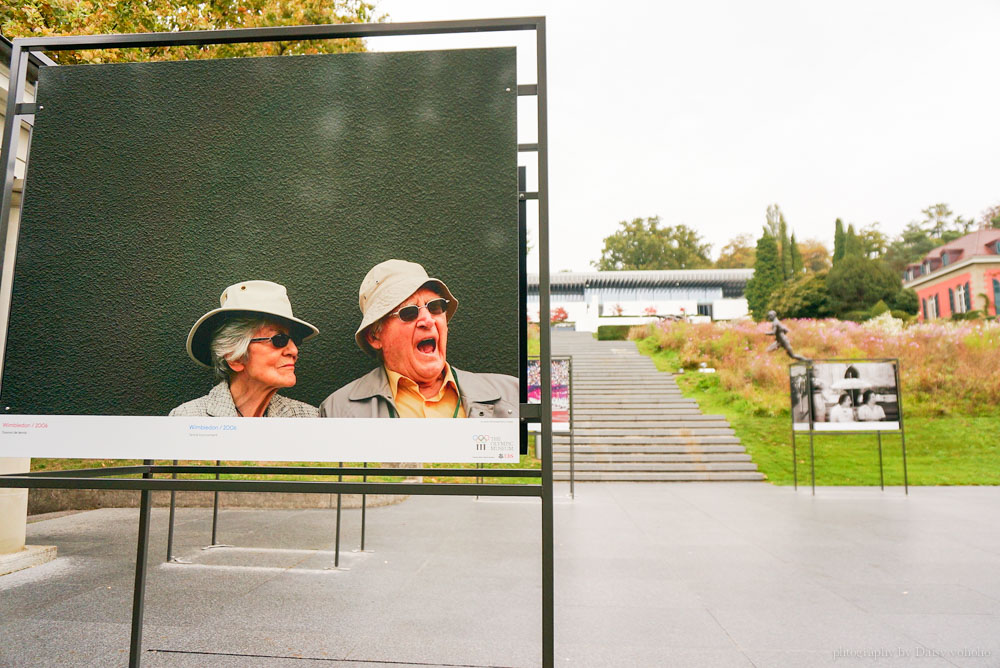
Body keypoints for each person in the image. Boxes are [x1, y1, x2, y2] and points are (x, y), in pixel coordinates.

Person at [320, 259, 517, 418]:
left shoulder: (512, 394)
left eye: (435, 307)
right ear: (374, 336)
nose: (427, 320)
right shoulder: (337, 410)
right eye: (408, 312)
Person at [170, 280, 319, 417]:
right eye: (279, 339)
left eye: (295, 340)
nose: (293, 351)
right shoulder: (188, 418)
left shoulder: (309, 418)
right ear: (234, 356)